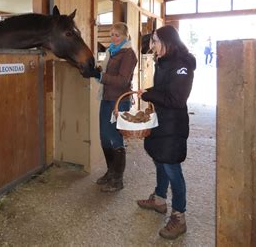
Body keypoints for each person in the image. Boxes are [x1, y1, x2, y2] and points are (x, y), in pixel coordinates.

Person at [136, 25, 196, 240]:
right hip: (160, 121)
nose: (152, 46)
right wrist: (149, 92)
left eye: (155, 41)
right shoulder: (164, 62)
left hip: (173, 125)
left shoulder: (182, 65)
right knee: (159, 160)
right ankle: (159, 199)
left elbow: (177, 99)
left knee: (172, 168)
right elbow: (164, 90)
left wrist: (150, 96)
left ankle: (179, 216)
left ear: (167, 42)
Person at [83, 22, 137, 192]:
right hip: (106, 98)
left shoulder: (128, 54)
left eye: (117, 35)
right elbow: (107, 75)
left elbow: (122, 81)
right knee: (104, 137)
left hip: (119, 101)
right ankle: (110, 172)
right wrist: (96, 71)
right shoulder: (111, 52)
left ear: (125, 36)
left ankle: (118, 179)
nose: (113, 38)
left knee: (115, 138)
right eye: (111, 35)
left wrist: (100, 75)